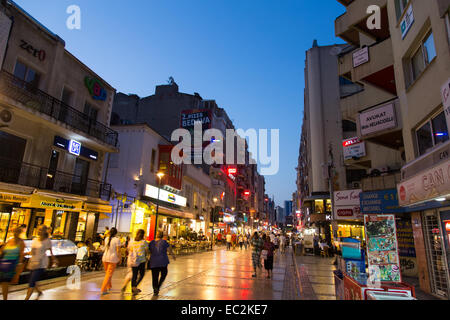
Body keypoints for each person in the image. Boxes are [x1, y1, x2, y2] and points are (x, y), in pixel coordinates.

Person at [25, 225, 57, 300]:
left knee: (32, 281)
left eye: (41, 230)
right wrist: (24, 254)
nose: (39, 231)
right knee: (32, 279)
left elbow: (51, 251)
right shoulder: (35, 240)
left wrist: (54, 260)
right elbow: (32, 252)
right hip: (33, 261)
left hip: (41, 263)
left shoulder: (47, 241)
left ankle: (26, 298)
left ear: (45, 231)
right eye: (38, 229)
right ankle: (39, 292)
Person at [148, 231, 176, 296]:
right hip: (163, 261)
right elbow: (169, 249)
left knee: (154, 276)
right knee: (164, 273)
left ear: (156, 235)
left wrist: (148, 258)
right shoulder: (164, 242)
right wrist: (173, 255)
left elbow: (148, 251)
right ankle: (158, 285)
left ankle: (155, 289)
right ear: (162, 236)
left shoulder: (151, 242)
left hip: (154, 261)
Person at [0, 227, 25, 300]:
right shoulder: (10, 240)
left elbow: (21, 255)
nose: (15, 233)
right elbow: (3, 251)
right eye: (15, 231)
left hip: (12, 264)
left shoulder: (21, 242)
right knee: (4, 283)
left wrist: (19, 265)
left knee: (5, 282)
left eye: (17, 232)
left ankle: (5, 298)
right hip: (3, 263)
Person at [122, 229, 148, 295]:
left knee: (134, 275)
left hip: (134, 260)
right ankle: (134, 286)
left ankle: (133, 287)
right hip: (142, 260)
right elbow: (147, 251)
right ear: (143, 235)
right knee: (142, 274)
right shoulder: (144, 242)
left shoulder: (132, 241)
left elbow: (128, 249)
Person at [100, 227, 120, 295]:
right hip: (112, 258)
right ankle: (103, 289)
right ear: (116, 233)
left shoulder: (106, 239)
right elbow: (118, 250)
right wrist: (119, 258)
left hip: (105, 258)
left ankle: (109, 286)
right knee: (109, 274)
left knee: (107, 274)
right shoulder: (117, 240)